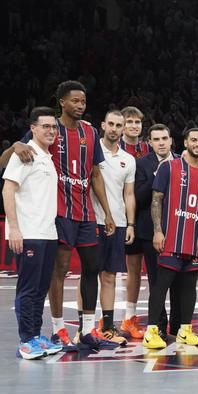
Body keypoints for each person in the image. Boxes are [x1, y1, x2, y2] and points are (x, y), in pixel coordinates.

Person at [1, 81, 117, 351]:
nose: (80, 105)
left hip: (86, 212)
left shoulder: (89, 131)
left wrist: (107, 212)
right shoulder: (48, 130)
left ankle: (87, 330)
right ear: (62, 102)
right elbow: (8, 160)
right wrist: (17, 144)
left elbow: (95, 173)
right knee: (58, 272)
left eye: (83, 101)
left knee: (92, 267)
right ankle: (58, 330)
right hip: (58, 214)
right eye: (75, 100)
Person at [143, 128, 198, 349]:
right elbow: (156, 200)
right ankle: (151, 331)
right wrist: (158, 231)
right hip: (172, 239)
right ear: (185, 142)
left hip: (195, 241)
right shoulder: (169, 167)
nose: (197, 143)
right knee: (161, 286)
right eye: (193, 140)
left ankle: (185, 330)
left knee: (189, 288)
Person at [2, 107, 63, 359]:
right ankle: (26, 341)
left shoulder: (47, 157)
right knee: (28, 290)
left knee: (39, 290)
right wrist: (14, 227)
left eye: (53, 127)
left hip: (48, 233)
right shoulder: (24, 154)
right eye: (45, 126)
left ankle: (36, 336)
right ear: (33, 128)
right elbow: (7, 190)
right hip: (28, 233)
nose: (50, 131)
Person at [81, 110, 136, 343]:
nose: (114, 129)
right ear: (102, 125)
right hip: (93, 221)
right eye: (111, 124)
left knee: (110, 277)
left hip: (120, 224)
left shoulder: (129, 159)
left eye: (118, 125)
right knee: (89, 274)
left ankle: (107, 327)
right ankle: (85, 329)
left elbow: (129, 194)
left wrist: (131, 223)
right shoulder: (91, 151)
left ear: (123, 129)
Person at [129, 124, 178, 338]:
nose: (161, 142)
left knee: (179, 282)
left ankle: (178, 327)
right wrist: (156, 176)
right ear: (149, 142)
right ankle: (158, 325)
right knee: (157, 281)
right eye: (156, 139)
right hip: (150, 232)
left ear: (170, 140)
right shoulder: (141, 164)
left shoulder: (182, 161)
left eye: (164, 138)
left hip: (178, 230)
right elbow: (137, 197)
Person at [119, 106, 150, 337]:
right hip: (116, 216)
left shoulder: (148, 148)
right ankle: (99, 319)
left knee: (135, 270)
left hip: (143, 217)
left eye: (137, 122)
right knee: (103, 271)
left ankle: (129, 317)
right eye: (129, 121)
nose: (133, 125)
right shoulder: (112, 147)